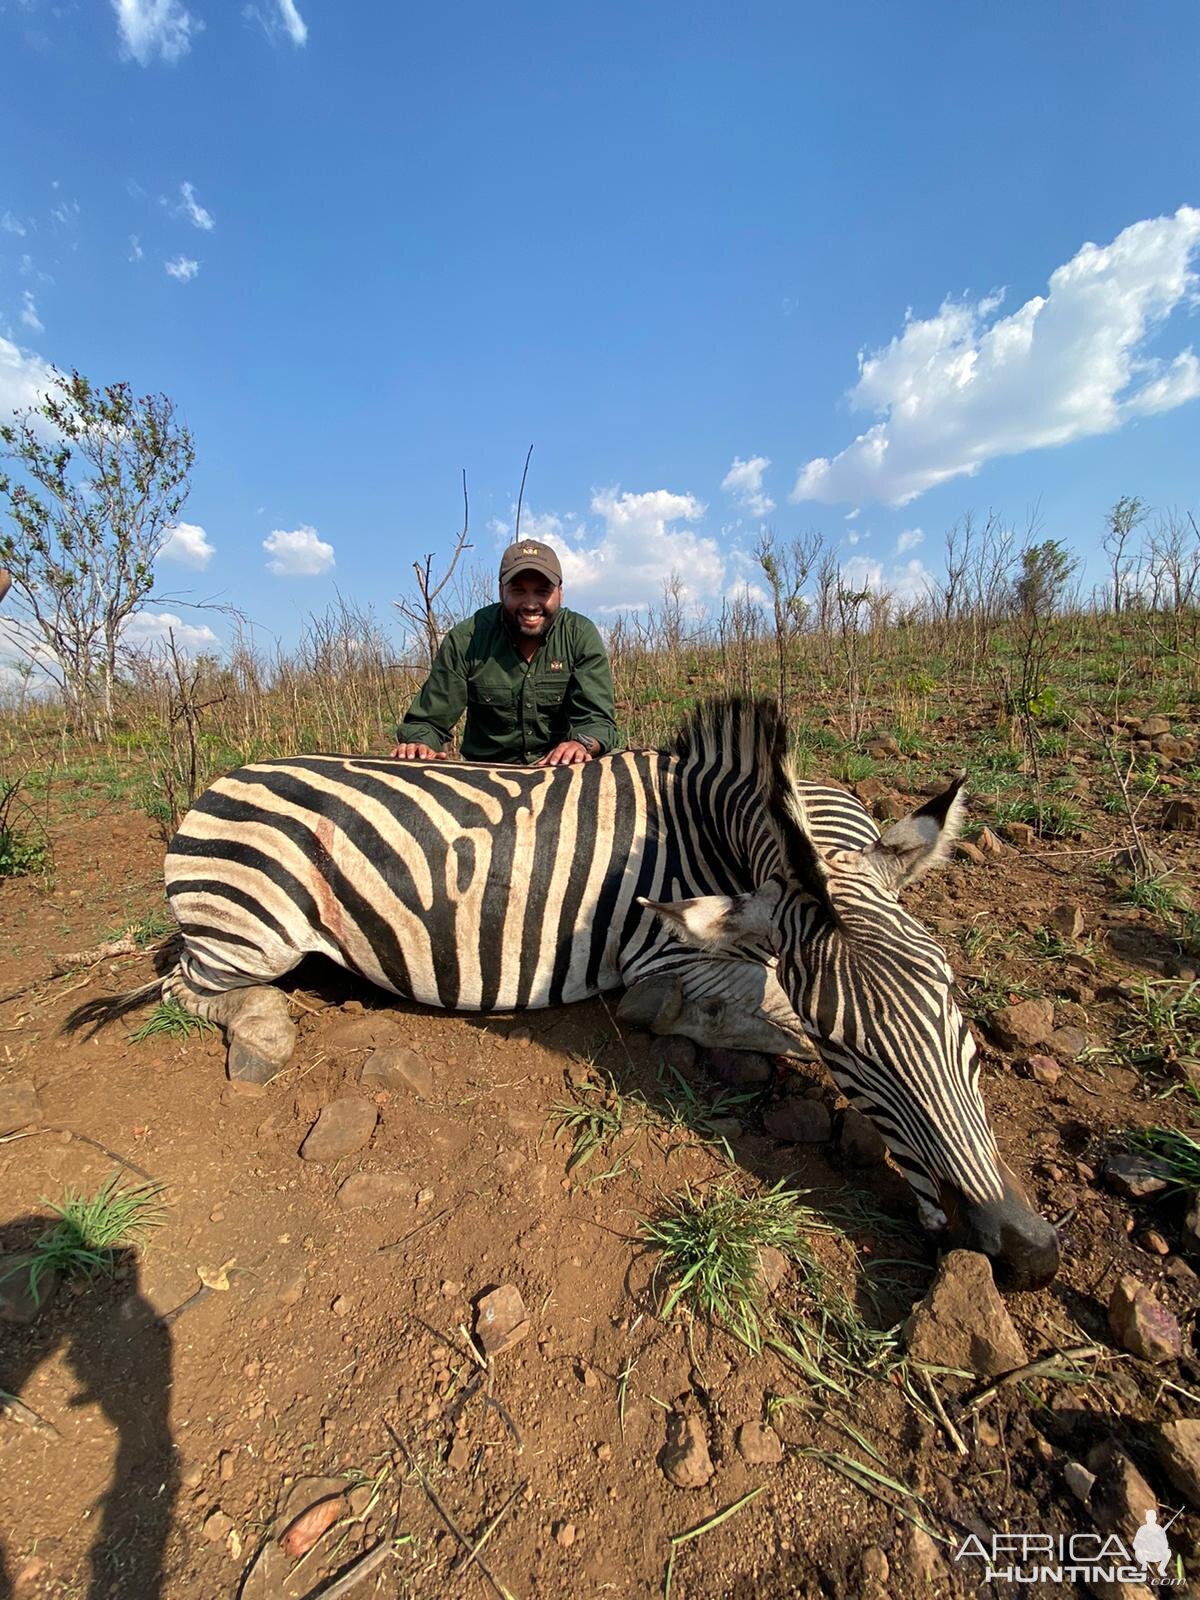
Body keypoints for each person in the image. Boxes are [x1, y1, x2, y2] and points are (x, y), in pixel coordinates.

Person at [390, 538, 618, 766]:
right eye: (518, 591)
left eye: (542, 591)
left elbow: (598, 721)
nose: (530, 604)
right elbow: (428, 721)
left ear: (560, 592)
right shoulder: (467, 639)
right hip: (487, 776)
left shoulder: (580, 635)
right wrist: (420, 745)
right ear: (501, 590)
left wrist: (580, 744)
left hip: (556, 774)